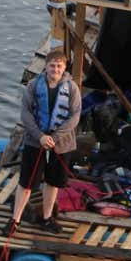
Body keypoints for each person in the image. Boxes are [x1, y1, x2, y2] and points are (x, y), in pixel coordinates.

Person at [9, 48, 82, 233]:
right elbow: (25, 113)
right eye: (52, 66)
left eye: (59, 66)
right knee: (26, 183)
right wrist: (40, 136)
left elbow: (75, 116)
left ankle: (47, 218)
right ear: (46, 67)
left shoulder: (72, 88)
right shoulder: (34, 85)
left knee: (52, 182)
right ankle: (14, 220)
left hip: (61, 143)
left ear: (65, 67)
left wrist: (55, 137)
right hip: (36, 140)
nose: (55, 70)